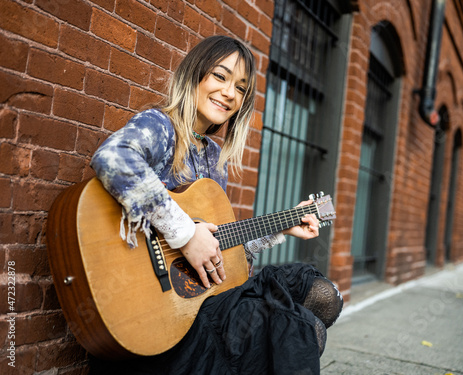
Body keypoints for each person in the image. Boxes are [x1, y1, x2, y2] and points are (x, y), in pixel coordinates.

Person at [89, 35, 343, 375]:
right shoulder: (161, 125)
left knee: (320, 294)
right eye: (220, 77)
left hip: (197, 305)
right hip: (154, 318)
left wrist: (280, 226)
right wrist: (184, 234)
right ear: (195, 74)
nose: (229, 94)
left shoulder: (212, 158)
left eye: (240, 88)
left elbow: (219, 252)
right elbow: (112, 157)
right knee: (298, 329)